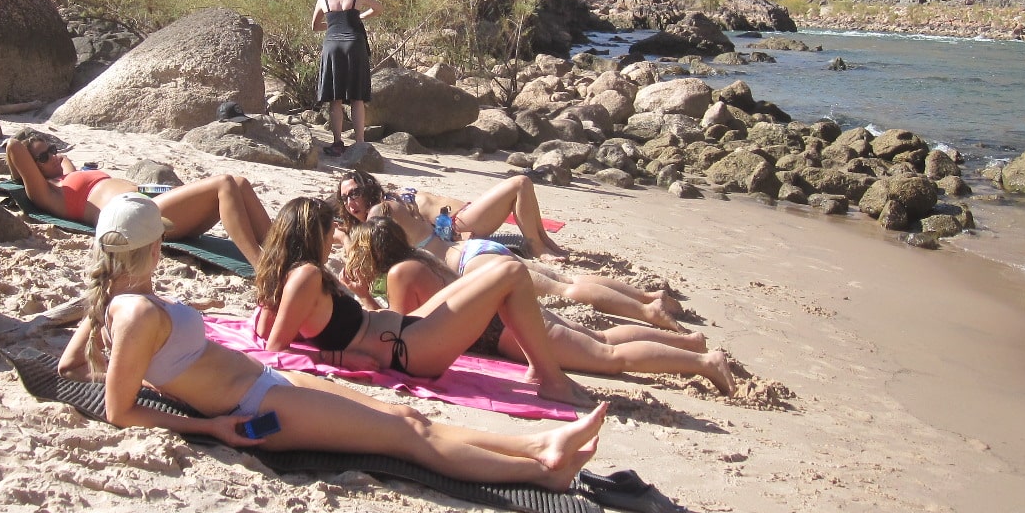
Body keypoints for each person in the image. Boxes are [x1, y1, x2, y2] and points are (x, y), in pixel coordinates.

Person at [58, 193, 607, 491]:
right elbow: (119, 411)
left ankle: (539, 447)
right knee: (405, 436)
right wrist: (209, 425)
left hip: (269, 386)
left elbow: (70, 367)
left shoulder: (116, 300)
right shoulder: (131, 311)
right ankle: (541, 469)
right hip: (257, 408)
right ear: (154, 249)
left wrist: (112, 351)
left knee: (407, 420)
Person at [253, 198, 594, 406]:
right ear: (313, 236)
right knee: (512, 276)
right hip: (406, 349)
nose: (333, 242)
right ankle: (551, 380)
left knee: (507, 267)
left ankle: (541, 370)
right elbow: (275, 349)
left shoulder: (296, 275)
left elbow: (268, 328)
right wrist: (338, 357)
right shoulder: (306, 276)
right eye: (330, 235)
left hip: (401, 330)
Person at [345, 218, 735, 395]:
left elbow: (403, 331)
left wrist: (364, 297)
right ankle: (690, 344)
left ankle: (703, 363)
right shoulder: (418, 260)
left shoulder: (400, 274)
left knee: (608, 355)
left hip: (503, 331)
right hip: (507, 315)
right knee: (600, 336)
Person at [335, 170, 686, 331]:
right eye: (344, 198)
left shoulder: (381, 214)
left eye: (353, 194)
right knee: (566, 279)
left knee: (565, 288)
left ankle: (648, 313)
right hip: (475, 250)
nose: (350, 202)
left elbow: (365, 254)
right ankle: (646, 296)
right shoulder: (401, 201)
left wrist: (344, 240)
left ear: (368, 189)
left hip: (470, 265)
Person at [4, 130, 274, 263]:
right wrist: (22, 165)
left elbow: (64, 160)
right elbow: (14, 146)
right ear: (30, 167)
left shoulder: (65, 174)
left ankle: (285, 252)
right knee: (224, 183)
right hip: (133, 216)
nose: (53, 156)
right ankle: (261, 267)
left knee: (238, 183)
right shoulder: (47, 194)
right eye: (42, 156)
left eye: (52, 149)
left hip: (146, 199)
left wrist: (169, 191)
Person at [312, 0, 379, 155]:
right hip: (354, 45)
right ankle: (359, 143)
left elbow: (315, 26)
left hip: (332, 46)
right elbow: (378, 8)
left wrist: (333, 25)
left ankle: (337, 142)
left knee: (335, 97)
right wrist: (360, 17)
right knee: (357, 97)